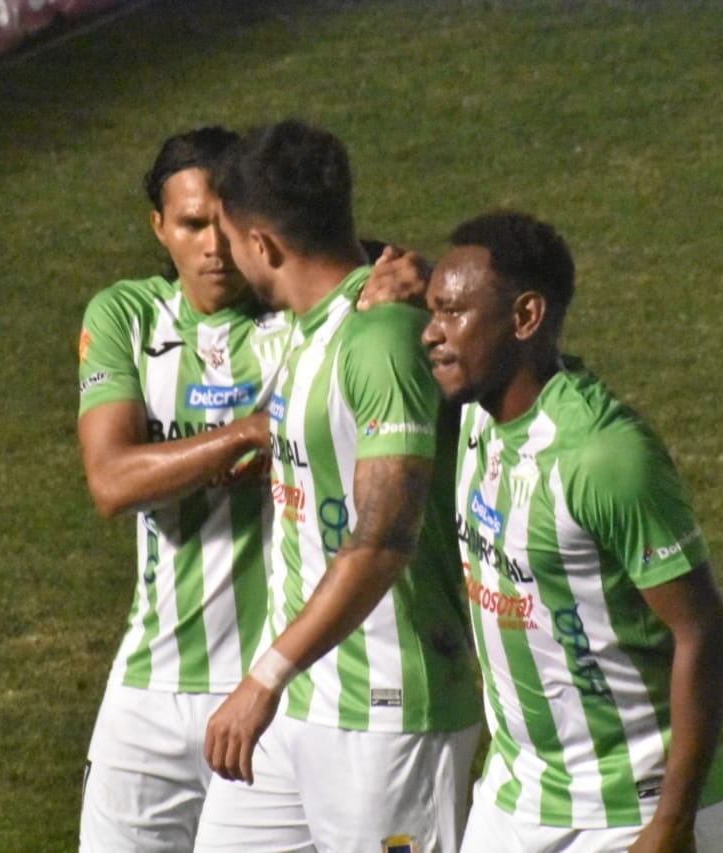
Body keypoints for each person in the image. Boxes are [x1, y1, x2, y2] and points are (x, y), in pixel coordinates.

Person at [417, 210, 723, 852]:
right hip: (519, 793)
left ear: (526, 317)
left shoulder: (602, 457)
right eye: (431, 310)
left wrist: (672, 823)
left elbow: (705, 632)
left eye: (451, 313)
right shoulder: (480, 415)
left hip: (632, 807)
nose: (430, 333)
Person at [197, 119, 482, 852]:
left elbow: (385, 538)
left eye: (228, 237)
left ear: (262, 244)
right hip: (303, 698)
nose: (222, 256)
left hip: (384, 714)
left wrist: (264, 675)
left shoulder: (380, 340)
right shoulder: (319, 321)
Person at [76, 126, 293, 850]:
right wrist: (241, 434)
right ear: (159, 229)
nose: (212, 244)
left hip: (272, 688)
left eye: (224, 222)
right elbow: (111, 480)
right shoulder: (126, 317)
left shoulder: (298, 320)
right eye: (191, 224)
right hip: (148, 689)